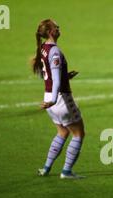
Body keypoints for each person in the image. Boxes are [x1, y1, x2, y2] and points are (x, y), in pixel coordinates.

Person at [32, 19, 85, 179]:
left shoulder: (43, 48)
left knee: (62, 132)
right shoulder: (54, 51)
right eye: (56, 26)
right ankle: (66, 171)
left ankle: (46, 168)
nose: (58, 28)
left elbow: (47, 74)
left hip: (49, 96)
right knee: (78, 134)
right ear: (50, 32)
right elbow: (55, 79)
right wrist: (54, 99)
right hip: (59, 99)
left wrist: (65, 76)